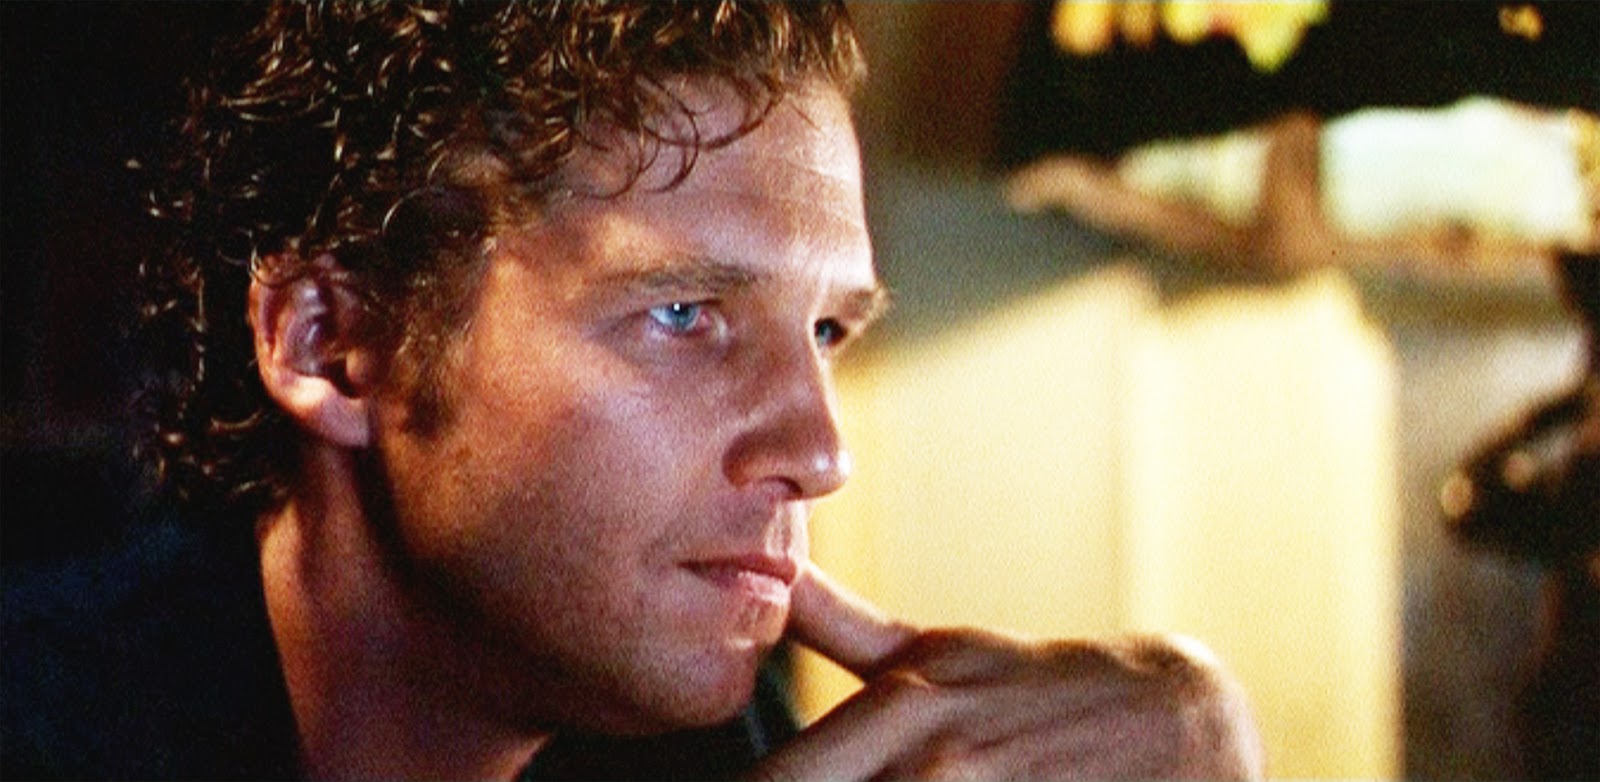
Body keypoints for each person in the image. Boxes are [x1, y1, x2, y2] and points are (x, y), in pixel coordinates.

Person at [2, 3, 1263, 779]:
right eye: (684, 314)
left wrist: (1207, 740)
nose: (820, 450)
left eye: (827, 329)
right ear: (330, 346)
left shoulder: (695, 731)